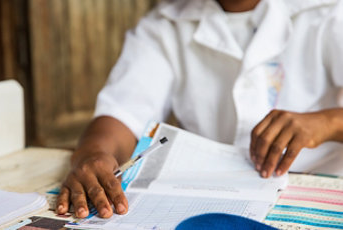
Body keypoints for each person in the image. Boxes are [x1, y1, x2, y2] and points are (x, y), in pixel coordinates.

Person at [57, 0, 343, 219]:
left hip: (319, 192)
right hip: (214, 198)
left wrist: (329, 122)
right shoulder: (165, 23)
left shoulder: (329, 11)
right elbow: (121, 114)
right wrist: (95, 155)